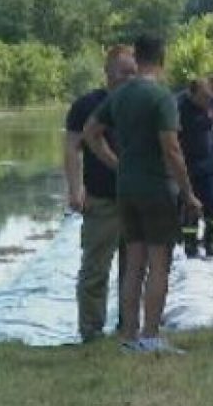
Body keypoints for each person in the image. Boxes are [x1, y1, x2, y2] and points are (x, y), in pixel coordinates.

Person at [82, 34, 202, 353]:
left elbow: (90, 133)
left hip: (126, 189)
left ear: (137, 58)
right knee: (159, 263)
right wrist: (189, 192)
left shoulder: (119, 95)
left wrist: (117, 164)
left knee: (134, 263)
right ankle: (151, 335)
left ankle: (129, 335)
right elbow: (172, 148)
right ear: (162, 59)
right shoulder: (161, 97)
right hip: (155, 187)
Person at [64, 45, 137, 343]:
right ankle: (91, 331)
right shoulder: (86, 106)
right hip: (101, 199)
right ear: (107, 72)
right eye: (123, 72)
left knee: (133, 268)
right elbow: (72, 149)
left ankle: (128, 326)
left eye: (133, 72)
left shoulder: (142, 103)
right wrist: (74, 188)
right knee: (95, 269)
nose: (129, 78)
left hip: (135, 199)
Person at [177, 78, 213, 258]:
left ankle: (210, 239)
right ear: (191, 93)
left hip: (209, 161)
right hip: (188, 163)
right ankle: (190, 242)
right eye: (203, 97)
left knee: (212, 203)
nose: (206, 101)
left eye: (208, 97)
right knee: (191, 205)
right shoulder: (180, 106)